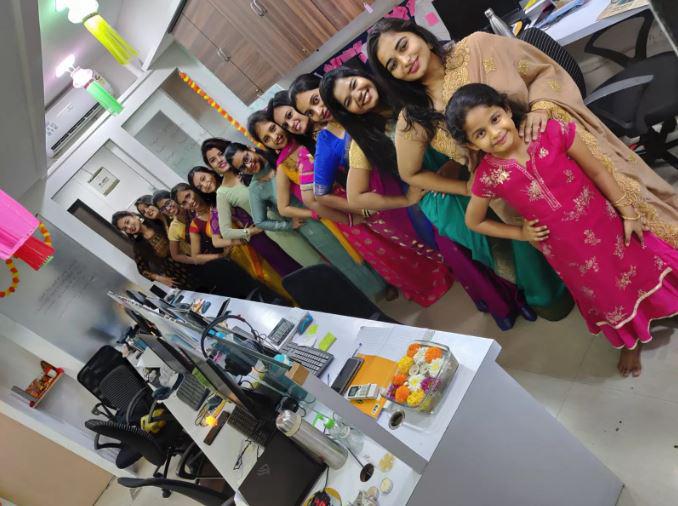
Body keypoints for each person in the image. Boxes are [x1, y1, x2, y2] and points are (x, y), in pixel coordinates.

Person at [366, 18, 678, 248]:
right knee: (595, 252)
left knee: (633, 212)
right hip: (525, 195)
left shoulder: (477, 46)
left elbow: (543, 70)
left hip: (566, 157)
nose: (405, 61)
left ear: (418, 34)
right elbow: (410, 173)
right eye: (393, 64)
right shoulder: (416, 115)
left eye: (403, 46)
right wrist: (467, 188)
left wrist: (541, 107)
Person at [447, 83, 678, 377]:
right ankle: (630, 341)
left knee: (641, 265)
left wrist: (628, 213)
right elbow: (474, 221)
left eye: (495, 119)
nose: (494, 133)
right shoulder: (488, 177)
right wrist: (521, 234)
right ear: (471, 145)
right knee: (606, 292)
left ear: (506, 110)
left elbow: (597, 171)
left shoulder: (551, 132)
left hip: (606, 226)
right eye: (480, 133)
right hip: (570, 254)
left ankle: (668, 306)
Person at [318, 66, 534, 327]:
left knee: (512, 223)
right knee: (482, 246)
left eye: (354, 85)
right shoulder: (363, 141)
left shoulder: (410, 95)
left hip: (469, 169)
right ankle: (513, 301)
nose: (358, 96)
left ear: (363, 75)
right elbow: (356, 198)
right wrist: (406, 200)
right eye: (348, 101)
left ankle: (530, 292)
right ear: (347, 112)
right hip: (441, 195)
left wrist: (455, 165)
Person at [291, 74, 453, 308]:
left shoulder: (365, 98)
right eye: (310, 112)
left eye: (316, 100)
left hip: (433, 161)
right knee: (441, 238)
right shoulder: (327, 140)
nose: (318, 111)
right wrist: (391, 204)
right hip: (397, 195)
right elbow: (320, 195)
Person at [240, 113, 389, 302]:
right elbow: (283, 208)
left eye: (272, 128)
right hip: (336, 208)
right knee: (369, 245)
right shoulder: (283, 165)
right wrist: (313, 213)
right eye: (267, 139)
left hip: (362, 186)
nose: (274, 137)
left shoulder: (309, 134)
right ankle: (386, 284)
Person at [268, 90, 401, 300]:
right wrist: (352, 213)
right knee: (384, 246)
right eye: (285, 124)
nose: (289, 126)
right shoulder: (299, 153)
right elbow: (309, 199)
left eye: (290, 115)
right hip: (348, 205)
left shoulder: (331, 119)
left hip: (382, 179)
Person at [172, 183, 291, 301]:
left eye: (188, 195)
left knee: (285, 264)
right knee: (271, 280)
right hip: (241, 256)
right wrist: (221, 255)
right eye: (184, 203)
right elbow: (196, 257)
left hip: (259, 239)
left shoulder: (216, 198)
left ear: (193, 190)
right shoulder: (195, 224)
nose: (190, 202)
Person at [189, 163, 300, 277]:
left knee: (300, 250)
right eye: (200, 187)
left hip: (275, 219)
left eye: (203, 178)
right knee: (288, 266)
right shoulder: (215, 207)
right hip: (259, 238)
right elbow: (216, 241)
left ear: (210, 172)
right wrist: (248, 233)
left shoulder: (237, 177)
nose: (205, 185)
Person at [111, 211, 195, 289]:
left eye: (127, 222)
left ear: (133, 216)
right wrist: (159, 278)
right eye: (125, 229)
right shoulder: (138, 246)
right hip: (182, 278)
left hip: (194, 259)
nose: (129, 227)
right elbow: (142, 270)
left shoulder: (156, 222)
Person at [152, 189, 216, 266]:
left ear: (174, 199)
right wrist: (196, 260)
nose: (168, 208)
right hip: (211, 259)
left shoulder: (193, 207)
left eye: (168, 203)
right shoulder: (173, 228)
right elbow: (175, 256)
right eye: (163, 208)